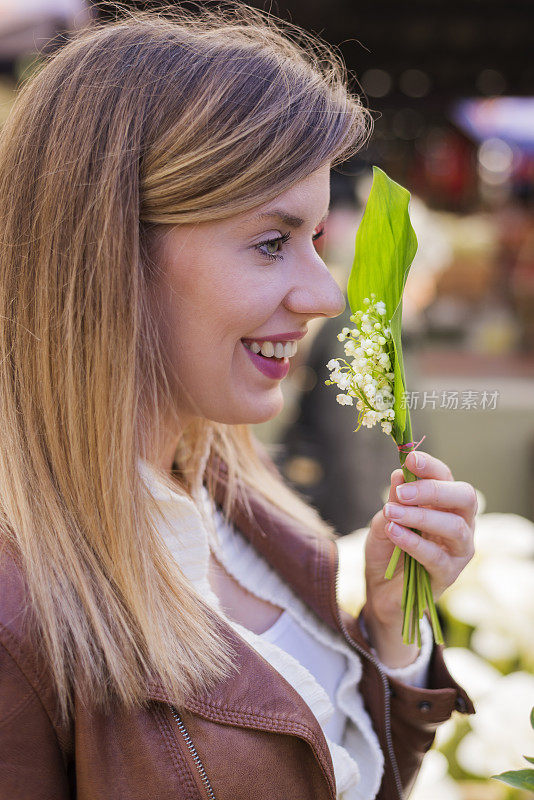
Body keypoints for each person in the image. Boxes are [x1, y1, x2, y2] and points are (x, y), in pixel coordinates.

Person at [0, 4, 476, 799]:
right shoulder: (21, 606)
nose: (326, 295)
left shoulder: (244, 506)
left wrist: (393, 637)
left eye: (318, 240)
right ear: (112, 249)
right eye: (269, 242)